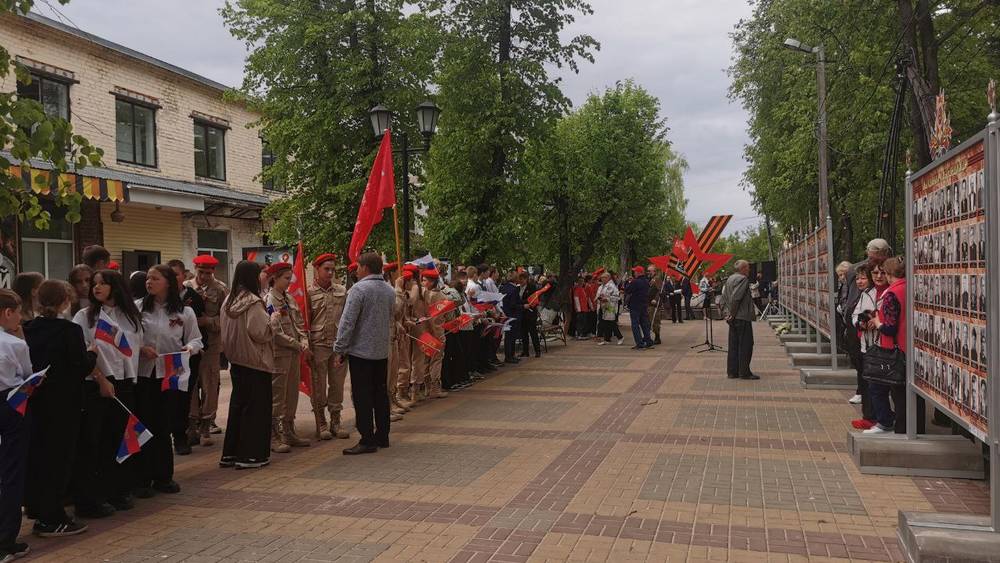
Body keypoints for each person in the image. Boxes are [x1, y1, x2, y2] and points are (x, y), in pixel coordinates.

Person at [23, 281, 96, 537]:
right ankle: (51, 516)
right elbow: (79, 367)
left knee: (39, 456)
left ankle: (37, 507)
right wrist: (92, 354)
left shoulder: (29, 328)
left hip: (37, 401)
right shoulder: (69, 330)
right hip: (64, 403)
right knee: (59, 459)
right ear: (66, 300)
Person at [72, 269, 143, 517]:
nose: (97, 288)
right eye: (94, 284)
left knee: (119, 437)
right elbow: (81, 352)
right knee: (95, 440)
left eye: (103, 283)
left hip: (125, 382)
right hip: (97, 383)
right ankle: (94, 495)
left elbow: (135, 346)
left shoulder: (130, 315)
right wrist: (100, 378)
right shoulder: (85, 316)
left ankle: (118, 489)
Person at [133, 265, 202, 495]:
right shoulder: (138, 308)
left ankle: (163, 477)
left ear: (168, 282)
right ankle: (141, 478)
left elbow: (196, 340)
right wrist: (141, 349)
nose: (149, 282)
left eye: (155, 278)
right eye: (148, 278)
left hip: (170, 373)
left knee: (163, 425)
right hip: (144, 373)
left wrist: (189, 348)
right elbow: (129, 340)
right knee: (144, 423)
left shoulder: (184, 311)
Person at [333, 252, 396, 455]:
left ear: (366, 268)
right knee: (380, 394)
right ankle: (383, 435)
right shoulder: (389, 290)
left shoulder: (358, 290)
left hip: (361, 353)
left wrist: (340, 349)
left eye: (358, 267)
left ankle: (367, 439)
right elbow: (391, 316)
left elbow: (347, 322)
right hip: (381, 351)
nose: (356, 270)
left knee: (362, 397)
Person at [220, 260, 277, 469]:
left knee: (238, 407)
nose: (264, 277)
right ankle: (251, 455)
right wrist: (275, 320)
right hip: (256, 362)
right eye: (261, 273)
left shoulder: (228, 300)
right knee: (256, 410)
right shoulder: (253, 302)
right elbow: (260, 333)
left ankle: (231, 453)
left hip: (236, 361)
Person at [0, 289, 35, 561]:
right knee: (11, 470)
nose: (21, 318)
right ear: (8, 313)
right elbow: (26, 375)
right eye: (18, 312)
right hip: (10, 403)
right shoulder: (14, 344)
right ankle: (5, 540)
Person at [264, 262, 310, 454]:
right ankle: (274, 435)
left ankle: (289, 430)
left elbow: (299, 323)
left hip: (293, 353)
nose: (289, 281)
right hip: (279, 354)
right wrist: (296, 343)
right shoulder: (268, 300)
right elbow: (275, 332)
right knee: (277, 396)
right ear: (274, 278)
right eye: (286, 278)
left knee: (291, 394)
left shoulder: (289, 298)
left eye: (290, 277)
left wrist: (304, 339)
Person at [307, 253, 350, 440]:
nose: (330, 272)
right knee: (318, 386)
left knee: (337, 386)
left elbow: (348, 318)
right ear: (317, 269)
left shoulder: (341, 291)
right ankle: (321, 422)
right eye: (327, 269)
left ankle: (335, 421)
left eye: (333, 269)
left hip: (338, 345)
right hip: (318, 345)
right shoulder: (308, 292)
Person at [186, 255, 228, 445]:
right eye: (201, 272)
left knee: (210, 384)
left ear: (214, 272)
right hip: (190, 345)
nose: (204, 276)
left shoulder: (220, 289)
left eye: (208, 273)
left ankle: (206, 424)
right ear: (195, 269)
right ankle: (191, 423)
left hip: (211, 345)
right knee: (191, 384)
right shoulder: (186, 287)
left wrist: (209, 321)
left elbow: (227, 319)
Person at [865, 257, 907, 434]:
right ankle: (902, 425)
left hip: (892, 348)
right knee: (901, 392)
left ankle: (889, 423)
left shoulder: (892, 293)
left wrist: (877, 321)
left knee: (880, 386)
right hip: (905, 346)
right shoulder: (908, 287)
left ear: (889, 274)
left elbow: (890, 328)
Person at [167, 260, 205, 455]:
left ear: (184, 276)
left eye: (176, 274)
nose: (173, 279)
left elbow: (197, 337)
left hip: (182, 360)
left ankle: (180, 436)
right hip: (156, 362)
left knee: (182, 399)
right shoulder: (144, 307)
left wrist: (190, 348)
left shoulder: (190, 303)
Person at [848, 264, 882, 428]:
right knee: (867, 381)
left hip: (877, 344)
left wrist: (874, 321)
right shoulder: (864, 294)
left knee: (874, 384)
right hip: (865, 343)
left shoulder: (878, 293)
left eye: (863, 278)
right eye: (857, 278)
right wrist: (859, 322)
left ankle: (876, 417)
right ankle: (869, 415)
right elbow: (855, 314)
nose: (860, 281)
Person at [721, 260, 758, 380]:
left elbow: (724, 298)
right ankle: (744, 372)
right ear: (742, 269)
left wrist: (726, 313)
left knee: (733, 345)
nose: (749, 270)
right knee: (746, 344)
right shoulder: (742, 279)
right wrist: (731, 313)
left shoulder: (730, 279)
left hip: (733, 317)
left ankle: (732, 372)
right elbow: (736, 298)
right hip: (741, 316)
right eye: (747, 268)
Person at [421, 268, 449, 397]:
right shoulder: (441, 296)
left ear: (432, 282)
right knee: (436, 360)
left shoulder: (423, 295)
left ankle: (429, 387)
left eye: (425, 280)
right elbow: (447, 316)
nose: (422, 282)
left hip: (426, 331)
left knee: (428, 359)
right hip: (437, 332)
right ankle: (434, 388)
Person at [624, 266, 654, 349]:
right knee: (644, 324)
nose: (634, 273)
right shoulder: (646, 281)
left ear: (639, 272)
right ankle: (648, 341)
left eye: (635, 272)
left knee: (635, 325)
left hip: (635, 305)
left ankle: (640, 343)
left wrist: (627, 282)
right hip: (643, 305)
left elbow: (627, 290)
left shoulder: (635, 281)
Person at [595, 272, 623, 345]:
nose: (602, 279)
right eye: (601, 278)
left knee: (611, 323)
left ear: (608, 278)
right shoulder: (601, 286)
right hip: (602, 306)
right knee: (604, 323)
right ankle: (606, 339)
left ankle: (620, 337)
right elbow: (598, 295)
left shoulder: (612, 286)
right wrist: (597, 298)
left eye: (603, 277)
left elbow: (617, 297)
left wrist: (607, 299)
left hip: (610, 307)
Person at [518, 272, 541, 358]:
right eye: (519, 279)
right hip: (522, 313)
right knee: (524, 333)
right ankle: (525, 351)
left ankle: (537, 351)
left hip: (530, 313)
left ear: (526, 279)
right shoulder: (518, 288)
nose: (521, 281)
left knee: (533, 332)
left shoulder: (531, 287)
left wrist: (523, 302)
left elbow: (531, 299)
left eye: (522, 279)